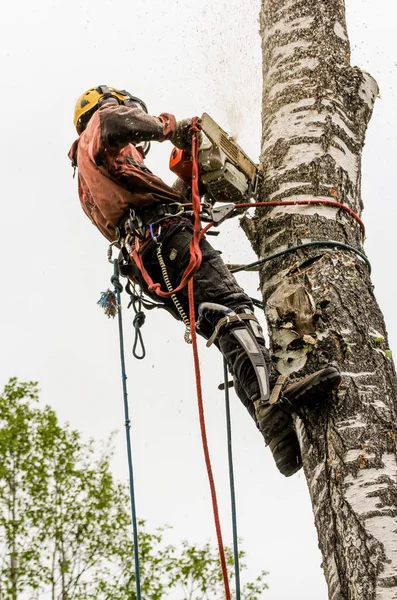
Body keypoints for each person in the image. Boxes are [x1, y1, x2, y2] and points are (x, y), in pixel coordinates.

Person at [69, 85, 341, 477]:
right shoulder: (99, 125)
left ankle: (278, 435)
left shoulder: (94, 173)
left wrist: (191, 178)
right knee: (232, 308)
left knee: (222, 321)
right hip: (166, 243)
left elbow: (155, 202)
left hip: (154, 255)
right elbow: (113, 122)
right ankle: (273, 399)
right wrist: (168, 127)